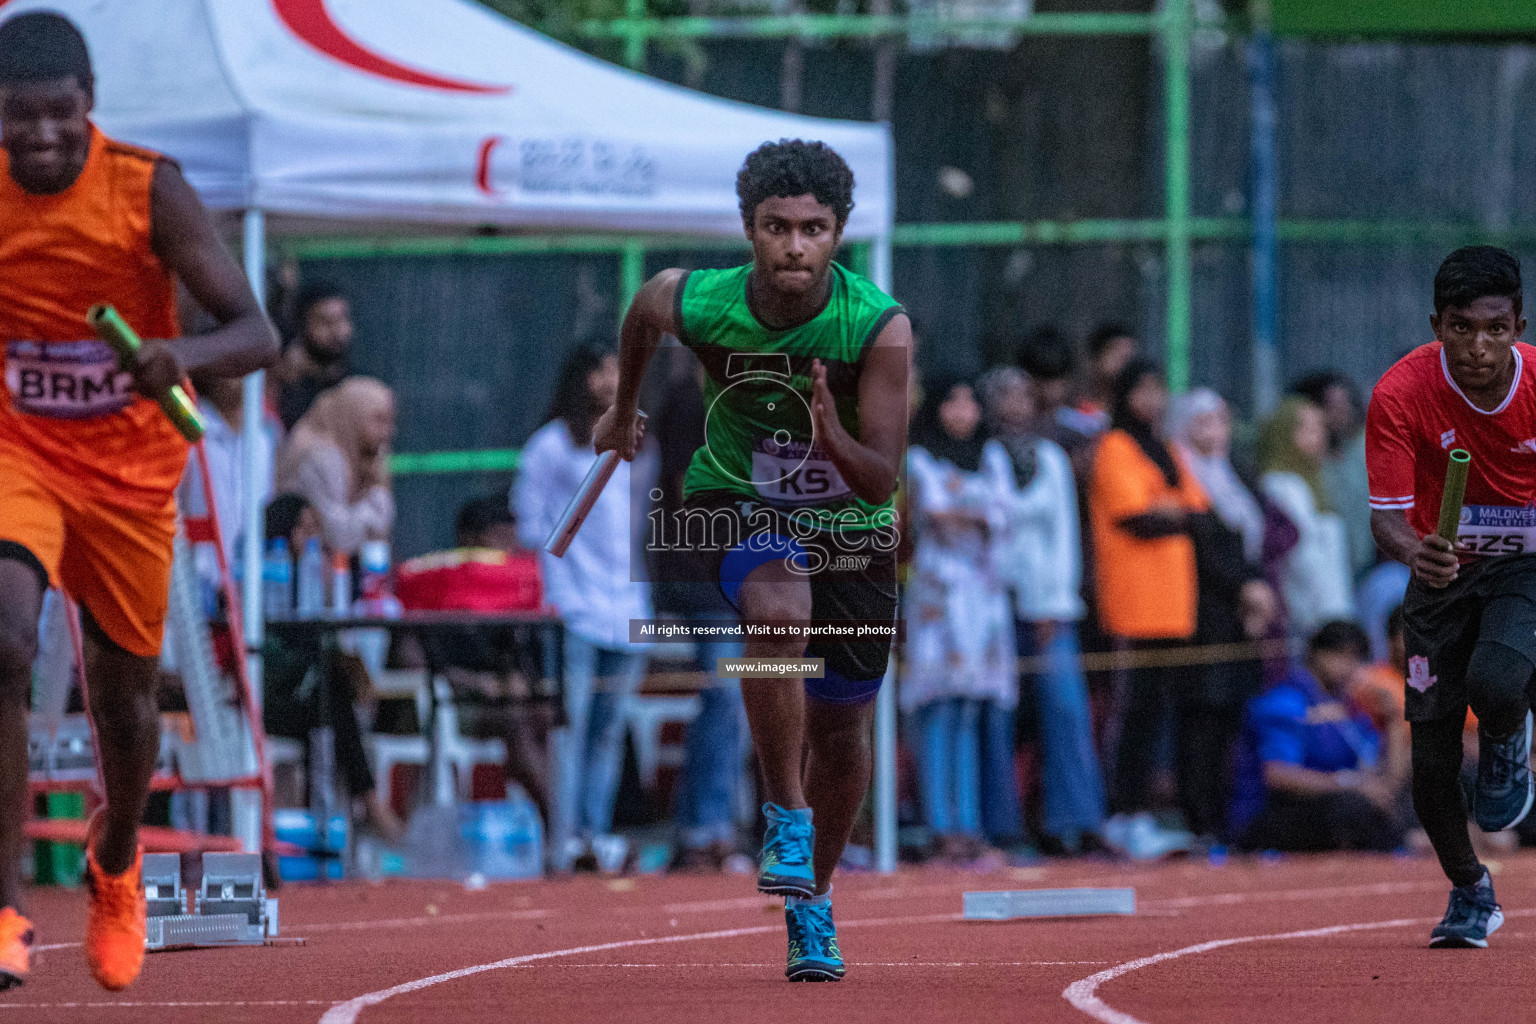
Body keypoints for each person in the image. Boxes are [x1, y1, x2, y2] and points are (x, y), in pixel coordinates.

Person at [0, 12, 278, 990]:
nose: (39, 138)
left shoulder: (146, 187)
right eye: (18, 118)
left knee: (126, 701)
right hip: (19, 452)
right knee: (2, 634)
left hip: (128, 472)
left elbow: (257, 334)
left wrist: (182, 356)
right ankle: (5, 907)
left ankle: (115, 859)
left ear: (91, 109)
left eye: (59, 118)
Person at [596, 139, 909, 981]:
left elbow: (883, 476)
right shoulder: (702, 300)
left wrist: (828, 428)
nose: (795, 247)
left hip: (851, 523)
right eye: (777, 228)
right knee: (777, 611)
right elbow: (645, 309)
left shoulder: (876, 325)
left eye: (814, 229)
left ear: (839, 233)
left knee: (844, 732)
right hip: (734, 498)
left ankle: (813, 902)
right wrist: (622, 409)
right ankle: (784, 812)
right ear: (749, 230)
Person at [1366, 245, 1536, 948]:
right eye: (1462, 328)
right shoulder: (1401, 393)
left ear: (1517, 325)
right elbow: (1386, 518)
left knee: (1496, 680)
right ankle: (1471, 891)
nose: (1479, 347)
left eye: (1496, 329)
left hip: (1526, 566)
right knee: (1431, 765)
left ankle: (1506, 735)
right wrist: (1418, 551)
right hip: (1441, 573)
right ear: (1437, 325)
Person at [516, 342, 655, 875]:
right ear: (579, 379)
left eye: (618, 369)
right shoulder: (550, 448)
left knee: (607, 731)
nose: (612, 379)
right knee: (568, 732)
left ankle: (592, 837)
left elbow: (637, 526)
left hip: (625, 607)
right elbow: (530, 529)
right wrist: (558, 592)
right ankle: (563, 841)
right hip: (573, 609)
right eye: (602, 370)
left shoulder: (633, 441)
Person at [979, 366, 1107, 855]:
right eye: (1004, 395)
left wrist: (1056, 601)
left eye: (1022, 394)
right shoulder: (982, 454)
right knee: (996, 716)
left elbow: (1064, 538)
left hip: (1048, 605)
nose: (1015, 403)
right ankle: (1001, 825)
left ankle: (1073, 820)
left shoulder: (1052, 457)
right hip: (992, 603)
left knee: (1066, 709)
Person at [1088, 359, 1207, 860]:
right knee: (1132, 715)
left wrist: (1171, 508)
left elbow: (1196, 505)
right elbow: (1136, 517)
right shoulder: (1115, 446)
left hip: (1172, 602)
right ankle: (1122, 815)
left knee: (1157, 714)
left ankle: (1141, 814)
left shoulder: (1167, 449)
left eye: (1159, 388)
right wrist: (1173, 508)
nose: (1151, 399)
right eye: (1142, 389)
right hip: (1134, 601)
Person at [903, 374, 1018, 864]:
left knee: (971, 711)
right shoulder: (920, 457)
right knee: (938, 709)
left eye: (971, 402)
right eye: (953, 400)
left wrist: (967, 513)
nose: (963, 412)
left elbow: (1005, 514)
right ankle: (940, 825)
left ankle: (967, 823)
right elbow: (936, 513)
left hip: (983, 599)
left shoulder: (992, 456)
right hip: (939, 598)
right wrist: (977, 514)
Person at [1167, 389, 1282, 841]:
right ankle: (1197, 818)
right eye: (1202, 422)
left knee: (1231, 716)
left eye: (1220, 420)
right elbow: (1202, 545)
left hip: (1239, 618)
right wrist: (1243, 589)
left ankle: (1223, 819)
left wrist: (1255, 597)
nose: (1213, 431)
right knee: (1200, 716)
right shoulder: (1181, 476)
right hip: (1200, 616)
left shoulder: (1236, 476)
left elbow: (1259, 541)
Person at [395, 496, 552, 828]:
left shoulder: (512, 597)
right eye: (497, 541)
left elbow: (517, 661)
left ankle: (550, 834)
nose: (506, 551)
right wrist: (475, 683)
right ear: (468, 541)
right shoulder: (427, 590)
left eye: (511, 540)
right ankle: (562, 832)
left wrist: (515, 679)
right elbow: (414, 664)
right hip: (452, 707)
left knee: (542, 714)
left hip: (505, 704)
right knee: (518, 724)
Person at [259, 495, 404, 842]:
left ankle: (351, 815)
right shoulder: (264, 574)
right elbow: (275, 656)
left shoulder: (313, 574)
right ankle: (367, 805)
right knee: (335, 695)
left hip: (302, 698)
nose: (314, 539)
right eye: (307, 529)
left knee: (334, 697)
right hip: (264, 701)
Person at [1230, 621, 1405, 854]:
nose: (1348, 665)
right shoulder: (1286, 701)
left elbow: (1387, 779)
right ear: (1316, 653)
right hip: (1270, 814)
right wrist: (1349, 783)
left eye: (1355, 657)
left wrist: (1393, 721)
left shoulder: (1349, 706)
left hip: (1333, 804)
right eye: (1339, 654)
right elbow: (1278, 776)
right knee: (1350, 806)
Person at [1259, 397, 1355, 636]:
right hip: (1304, 618)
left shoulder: (1316, 482)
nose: (1319, 436)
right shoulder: (1279, 485)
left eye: (1320, 428)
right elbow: (1302, 557)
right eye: (1308, 429)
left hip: (1332, 612)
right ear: (1283, 434)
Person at [272, 377, 396, 557]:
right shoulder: (323, 457)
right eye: (378, 420)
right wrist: (379, 499)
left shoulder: (354, 453)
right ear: (354, 416)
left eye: (390, 421)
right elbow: (339, 537)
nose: (387, 432)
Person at [1292, 370, 1374, 579]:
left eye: (1346, 404)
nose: (1342, 413)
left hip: (1366, 564)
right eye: (1333, 406)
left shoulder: (1362, 449)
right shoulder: (1303, 466)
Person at [270, 281, 354, 429]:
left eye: (341, 320)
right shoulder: (282, 387)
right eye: (325, 322)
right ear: (302, 327)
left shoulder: (355, 385)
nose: (337, 332)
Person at [1074, 323, 1139, 434]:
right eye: (1117, 353)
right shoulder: (1074, 410)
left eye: (1130, 357)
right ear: (1094, 359)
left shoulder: (1139, 415)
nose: (1126, 363)